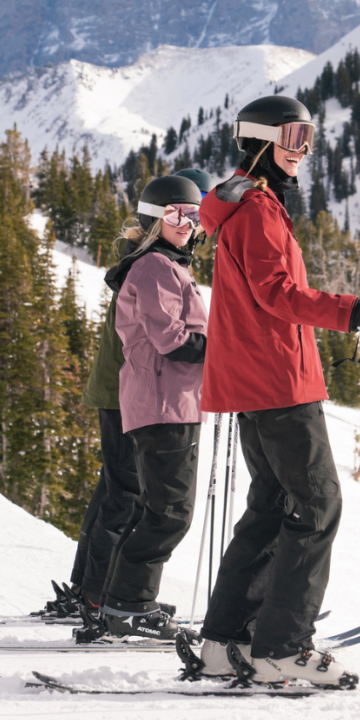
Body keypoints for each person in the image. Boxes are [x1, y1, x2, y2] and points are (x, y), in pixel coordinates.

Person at [187, 94, 360, 688]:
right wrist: (354, 311)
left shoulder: (243, 204)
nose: (302, 152)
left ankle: (225, 640)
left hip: (257, 379)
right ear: (258, 142)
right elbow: (276, 294)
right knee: (316, 505)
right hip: (277, 380)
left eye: (308, 140)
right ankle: (282, 649)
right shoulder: (256, 210)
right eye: (291, 139)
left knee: (271, 505)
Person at [64, 168, 215, 638]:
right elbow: (170, 340)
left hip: (174, 402)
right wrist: (227, 351)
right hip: (162, 403)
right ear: (153, 219)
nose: (187, 222)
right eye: (175, 214)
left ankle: (119, 598)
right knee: (166, 511)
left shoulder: (170, 266)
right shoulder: (153, 267)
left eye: (194, 214)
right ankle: (123, 601)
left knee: (159, 508)